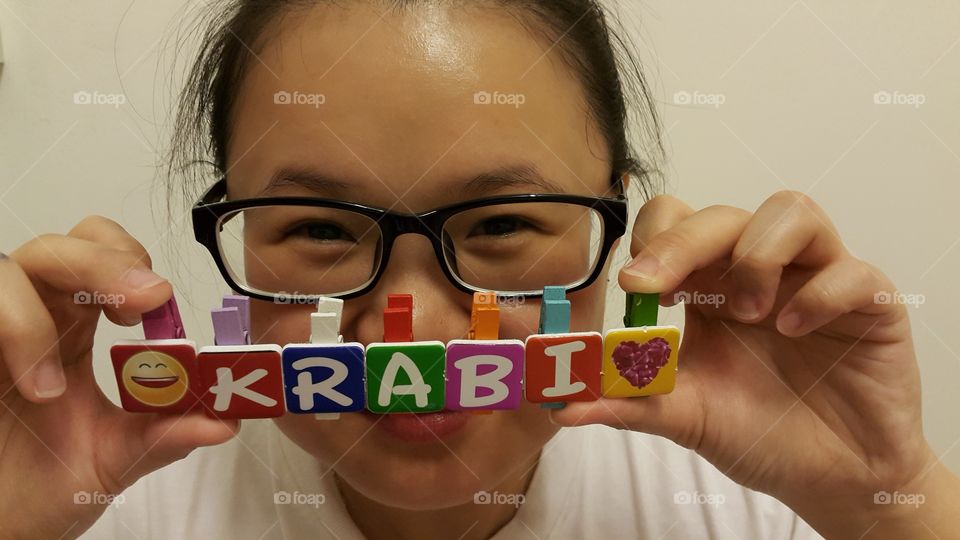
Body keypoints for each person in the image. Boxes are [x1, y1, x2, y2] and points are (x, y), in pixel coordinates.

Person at [2, 1, 957, 538]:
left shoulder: (747, 501)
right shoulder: (97, 511)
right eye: (322, 231)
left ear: (621, 231)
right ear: (235, 234)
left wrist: (883, 493)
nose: (409, 322)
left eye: (502, 222)